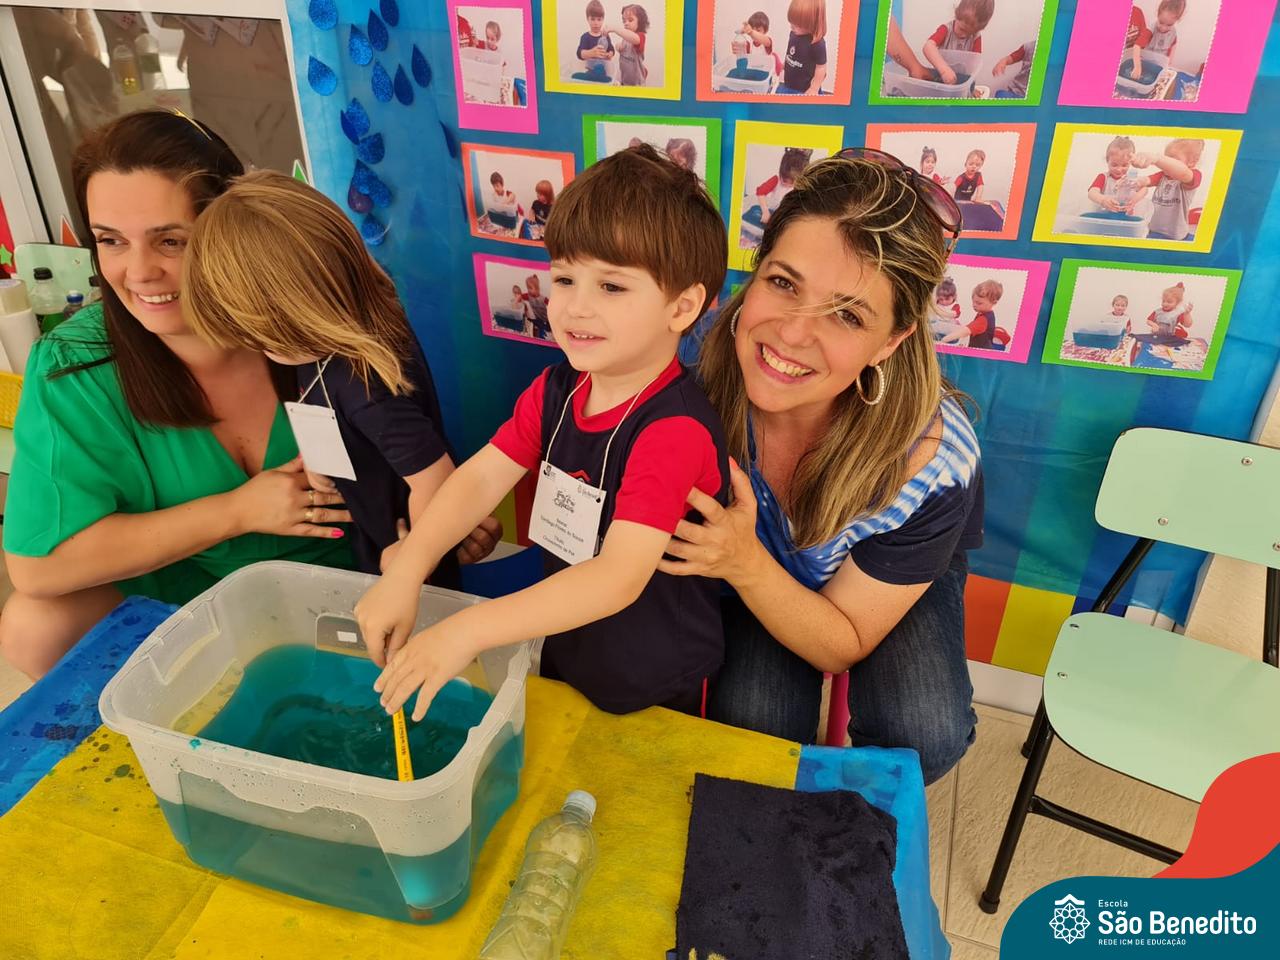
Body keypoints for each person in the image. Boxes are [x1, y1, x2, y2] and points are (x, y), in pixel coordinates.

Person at [355, 144, 730, 723]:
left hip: (657, 678)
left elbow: (616, 578)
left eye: (611, 287)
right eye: (565, 278)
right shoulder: (557, 388)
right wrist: (407, 569)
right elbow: (481, 478)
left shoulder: (673, 430)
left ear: (681, 308)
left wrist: (467, 629)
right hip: (567, 639)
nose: (575, 307)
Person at [0, 111, 352, 679]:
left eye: (170, 241)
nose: (139, 272)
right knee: (34, 624)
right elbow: (38, 567)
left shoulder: (310, 310)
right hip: (182, 604)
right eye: (111, 241)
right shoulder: (75, 363)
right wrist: (236, 512)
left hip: (347, 583)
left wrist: (436, 518)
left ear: (231, 229)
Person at [670, 149, 983, 784]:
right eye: (784, 283)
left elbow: (844, 640)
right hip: (751, 550)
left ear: (891, 341)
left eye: (847, 314)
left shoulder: (932, 462)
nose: (791, 334)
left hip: (871, 566)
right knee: (753, 722)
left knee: (922, 733)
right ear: (755, 273)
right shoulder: (693, 366)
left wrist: (744, 563)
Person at [181, 170, 501, 580]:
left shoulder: (363, 384)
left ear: (303, 307)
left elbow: (434, 478)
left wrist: (412, 561)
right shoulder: (330, 339)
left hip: (406, 546)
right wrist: (320, 463)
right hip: (373, 528)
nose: (255, 344)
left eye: (263, 331)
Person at [1133, 139, 1203, 241]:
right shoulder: (1163, 176)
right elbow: (1145, 181)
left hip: (1176, 237)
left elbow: (1183, 172)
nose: (1165, 164)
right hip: (1154, 231)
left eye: (1172, 160)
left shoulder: (1193, 176)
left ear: (1191, 162)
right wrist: (1136, 182)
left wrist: (1157, 158)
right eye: (1166, 159)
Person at [923, 0, 994, 85]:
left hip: (961, 79)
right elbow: (928, 46)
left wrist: (969, 86)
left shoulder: (976, 37)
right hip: (940, 75)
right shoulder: (946, 29)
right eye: (962, 29)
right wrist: (944, 70)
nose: (964, 35)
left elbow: (974, 64)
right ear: (957, 15)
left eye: (970, 33)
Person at [778, 0, 829, 95]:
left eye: (796, 25)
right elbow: (791, 52)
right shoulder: (793, 34)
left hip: (804, 90)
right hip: (788, 85)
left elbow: (821, 68)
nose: (792, 27)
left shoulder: (817, 43)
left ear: (812, 23)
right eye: (791, 22)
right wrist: (785, 64)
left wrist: (814, 88)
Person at [1088, 135, 1146, 214]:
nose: (1119, 169)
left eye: (1124, 165)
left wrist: (1134, 200)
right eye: (1114, 165)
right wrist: (1103, 200)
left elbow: (1144, 189)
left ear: (1131, 163)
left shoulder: (1131, 178)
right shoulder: (1103, 177)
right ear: (1107, 160)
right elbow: (1091, 192)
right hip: (1104, 217)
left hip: (1125, 217)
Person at [1129, 0, 1185, 79]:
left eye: (1169, 25)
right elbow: (1137, 46)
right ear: (1158, 14)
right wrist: (1137, 66)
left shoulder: (1173, 32)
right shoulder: (1151, 29)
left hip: (1159, 65)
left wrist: (1168, 63)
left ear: (1177, 20)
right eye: (1161, 22)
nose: (1163, 28)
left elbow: (1173, 45)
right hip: (1145, 63)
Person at [940, 279, 1002, 349]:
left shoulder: (983, 320)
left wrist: (943, 340)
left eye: (979, 303)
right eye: (973, 301)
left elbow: (965, 331)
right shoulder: (985, 313)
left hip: (980, 352)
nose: (974, 305)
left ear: (994, 303)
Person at [609, 4, 649, 86]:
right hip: (625, 81)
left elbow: (634, 39)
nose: (626, 23)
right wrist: (618, 46)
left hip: (637, 85)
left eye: (630, 20)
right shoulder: (625, 38)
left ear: (640, 22)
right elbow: (624, 46)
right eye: (624, 21)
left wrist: (615, 29)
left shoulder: (640, 37)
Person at [575, 0, 615, 82]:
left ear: (603, 19)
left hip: (603, 70)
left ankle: (603, 79)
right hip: (590, 70)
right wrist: (591, 53)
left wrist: (609, 54)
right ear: (588, 19)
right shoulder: (585, 37)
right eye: (593, 19)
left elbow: (611, 49)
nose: (596, 23)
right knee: (584, 77)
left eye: (599, 19)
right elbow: (579, 54)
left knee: (603, 73)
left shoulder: (605, 35)